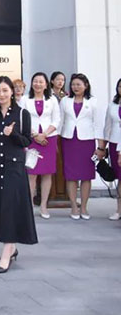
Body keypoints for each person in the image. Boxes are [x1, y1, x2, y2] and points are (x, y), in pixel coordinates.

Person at [0, 76, 38, 273]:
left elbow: (27, 141)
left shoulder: (22, 114)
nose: (1, 94)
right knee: (0, 207)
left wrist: (11, 134)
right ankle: (11, 248)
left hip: (14, 168)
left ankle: (6, 254)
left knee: (11, 207)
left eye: (5, 90)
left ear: (12, 92)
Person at [60, 73, 103, 220]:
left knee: (86, 175)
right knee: (71, 175)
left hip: (87, 141)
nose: (75, 87)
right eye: (73, 84)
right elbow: (60, 121)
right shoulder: (65, 101)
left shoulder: (93, 101)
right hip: (69, 141)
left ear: (86, 85)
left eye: (78, 84)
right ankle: (74, 206)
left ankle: (84, 207)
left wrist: (101, 147)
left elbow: (98, 125)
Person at [24, 72, 60, 219]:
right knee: (31, 173)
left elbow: (56, 120)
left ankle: (44, 205)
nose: (37, 84)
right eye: (35, 81)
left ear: (46, 85)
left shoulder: (52, 100)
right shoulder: (25, 99)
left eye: (41, 82)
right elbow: (22, 119)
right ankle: (30, 205)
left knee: (47, 173)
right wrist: (35, 135)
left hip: (48, 139)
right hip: (31, 139)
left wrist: (44, 134)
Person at [105, 78, 121, 220]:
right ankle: (119, 209)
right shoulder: (113, 105)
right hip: (115, 143)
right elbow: (107, 127)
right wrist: (102, 147)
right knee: (119, 178)